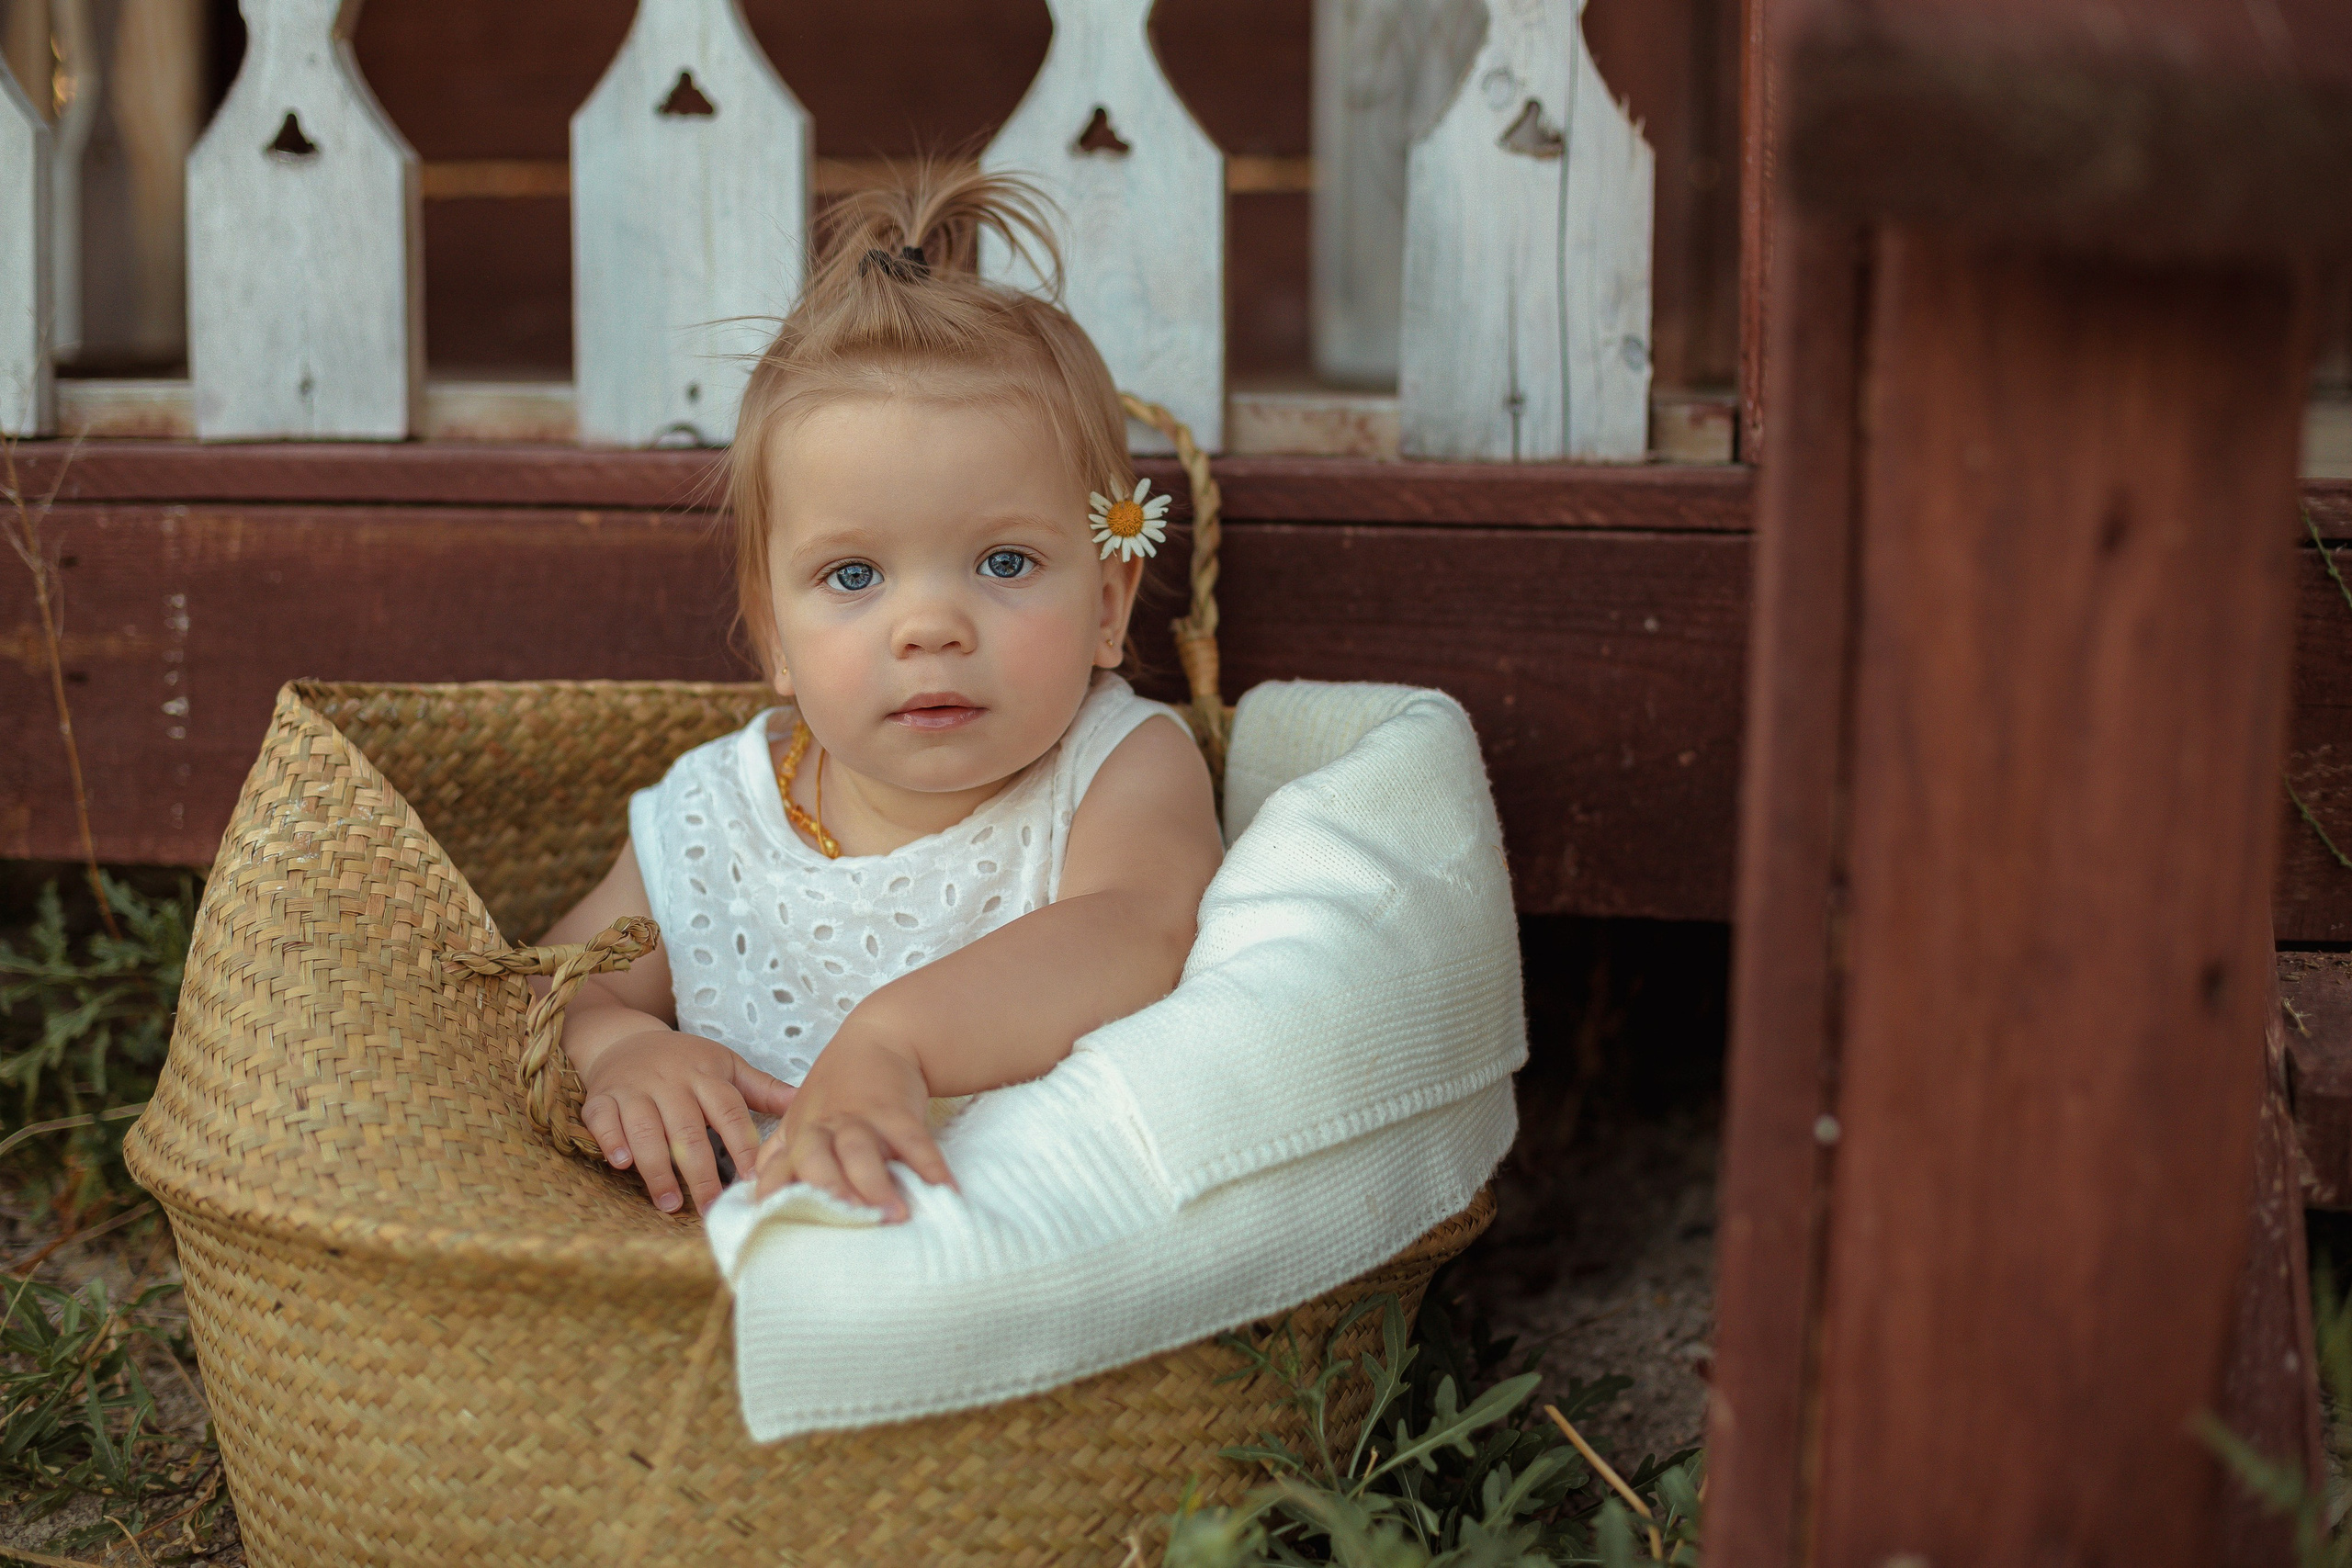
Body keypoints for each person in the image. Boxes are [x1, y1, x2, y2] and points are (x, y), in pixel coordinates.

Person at [537, 165, 1224, 1224]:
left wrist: (892, 1043)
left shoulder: (1119, 765)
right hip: (733, 1263)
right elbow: (561, 978)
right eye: (854, 576)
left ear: (1108, 602)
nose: (929, 627)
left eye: (1004, 562)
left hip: (1013, 1240)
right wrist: (619, 1043)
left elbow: (1138, 929)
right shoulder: (716, 815)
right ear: (775, 635)